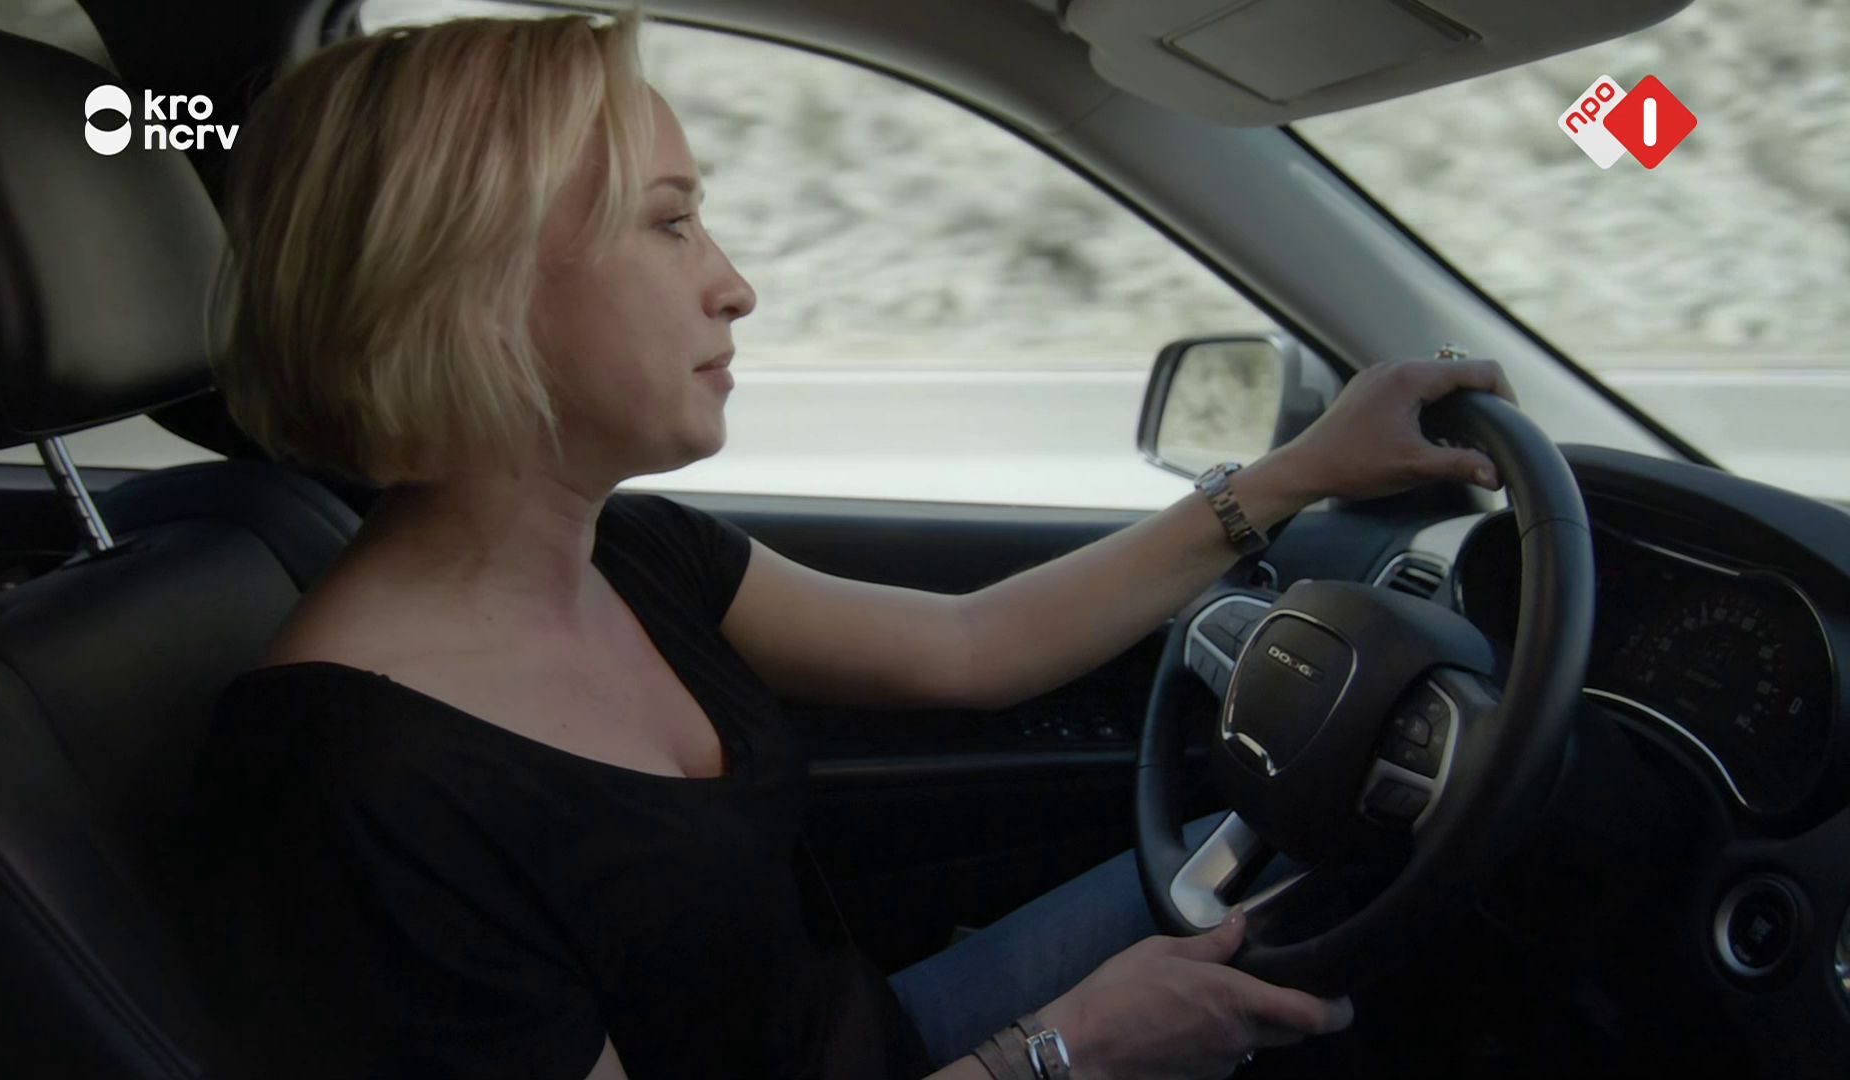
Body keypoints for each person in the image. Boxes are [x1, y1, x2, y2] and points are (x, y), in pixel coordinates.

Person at [184, 9, 1519, 1080]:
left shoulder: (633, 554)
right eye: (669, 221)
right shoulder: (344, 786)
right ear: (470, 283)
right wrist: (1068, 1054)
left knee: (1379, 875)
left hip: (896, 1037)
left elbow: (972, 646)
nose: (734, 284)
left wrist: (1297, 475)